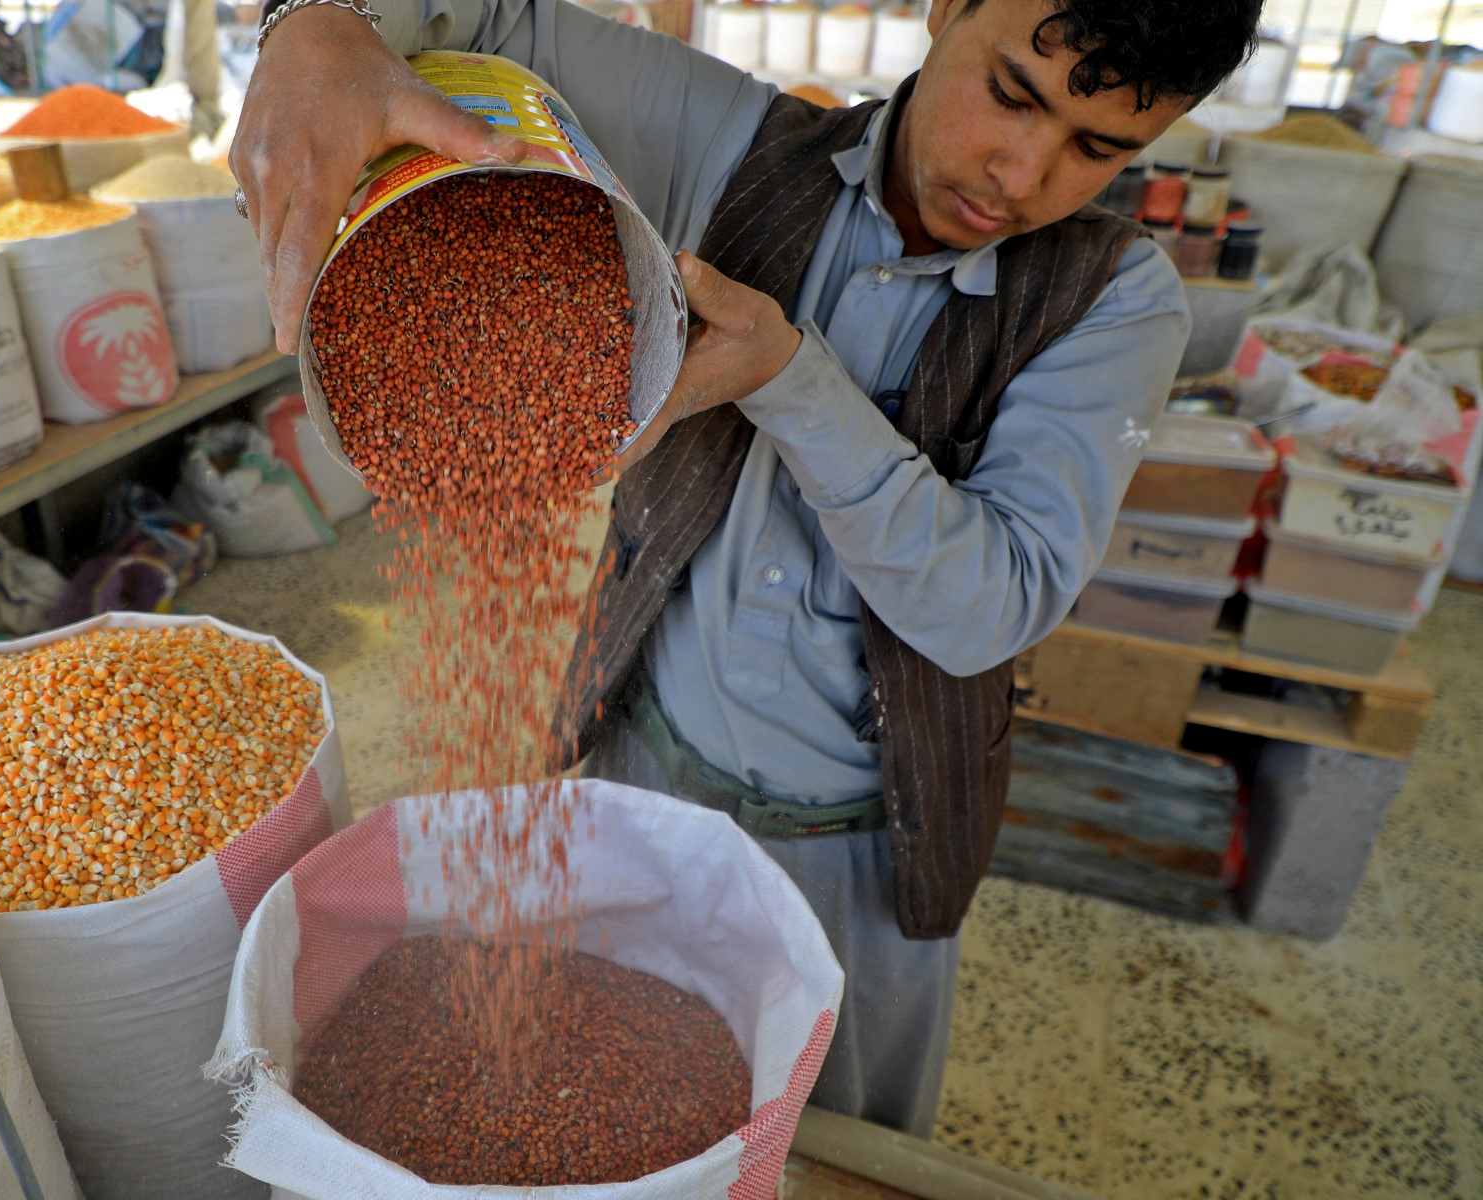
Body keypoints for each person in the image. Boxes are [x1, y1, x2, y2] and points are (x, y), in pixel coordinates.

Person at [231, 0, 1260, 1137]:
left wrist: (789, 377)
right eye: (1011, 92)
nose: (1021, 174)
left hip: (861, 855)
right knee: (600, 1101)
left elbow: (992, 609)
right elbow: (482, 15)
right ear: (944, 11)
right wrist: (312, 30)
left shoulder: (1112, 299)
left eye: (1100, 148)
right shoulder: (730, 142)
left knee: (819, 1135)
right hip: (636, 778)